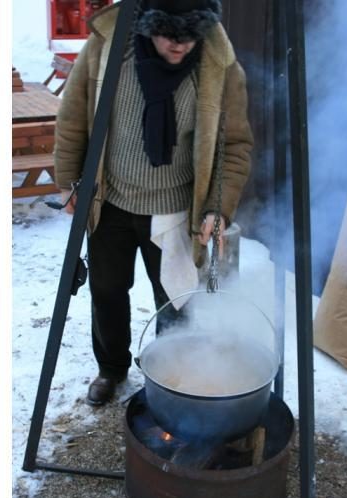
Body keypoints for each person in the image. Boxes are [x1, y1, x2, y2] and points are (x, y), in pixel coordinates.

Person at [54, 0, 253, 406]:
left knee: (176, 300)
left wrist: (218, 207)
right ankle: (111, 369)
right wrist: (66, 181)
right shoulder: (109, 48)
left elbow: (234, 145)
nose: (180, 45)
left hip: (176, 210)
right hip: (111, 201)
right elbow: (73, 117)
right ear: (147, 24)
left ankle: (169, 377)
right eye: (169, 34)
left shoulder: (218, 62)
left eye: (189, 35)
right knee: (107, 292)